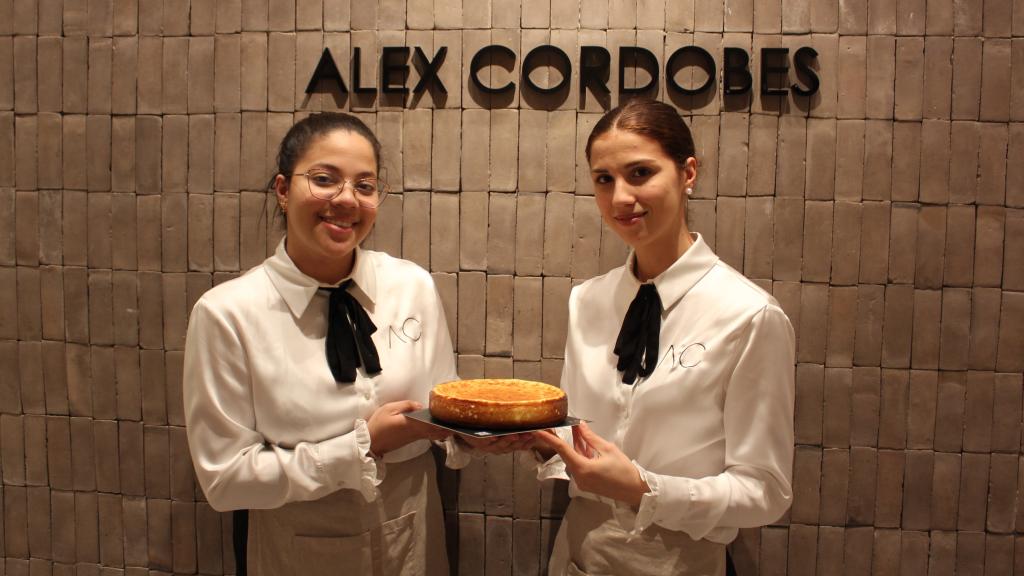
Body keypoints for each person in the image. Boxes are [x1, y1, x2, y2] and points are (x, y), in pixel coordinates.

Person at [183, 112, 465, 576]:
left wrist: (484, 435)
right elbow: (225, 480)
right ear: (282, 189)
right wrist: (362, 447)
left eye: (365, 185)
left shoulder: (411, 285)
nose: (346, 200)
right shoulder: (227, 313)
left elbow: (444, 403)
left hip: (414, 534)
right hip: (295, 548)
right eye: (324, 179)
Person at [531, 98, 796, 576]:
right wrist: (534, 439)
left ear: (688, 173)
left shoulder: (748, 315)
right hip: (577, 555)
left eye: (640, 173)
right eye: (603, 179)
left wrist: (644, 488)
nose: (619, 199)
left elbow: (765, 491)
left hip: (679, 562)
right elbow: (578, 434)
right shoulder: (586, 301)